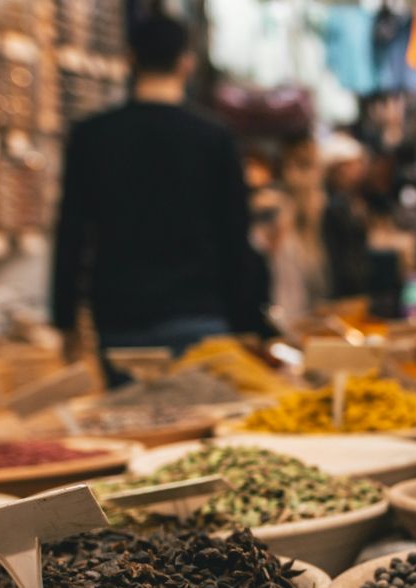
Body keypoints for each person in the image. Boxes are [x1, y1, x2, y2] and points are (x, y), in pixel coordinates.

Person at [51, 10, 263, 385]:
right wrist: (247, 321)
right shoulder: (214, 138)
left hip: (119, 317)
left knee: (136, 426)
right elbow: (235, 236)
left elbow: (71, 232)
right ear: (187, 63)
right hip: (199, 313)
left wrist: (64, 319)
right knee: (201, 433)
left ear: (130, 60)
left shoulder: (91, 136)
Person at [319, 133, 374, 300]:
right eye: (353, 164)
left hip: (356, 279)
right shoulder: (334, 204)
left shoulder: (351, 199)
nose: (360, 168)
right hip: (344, 285)